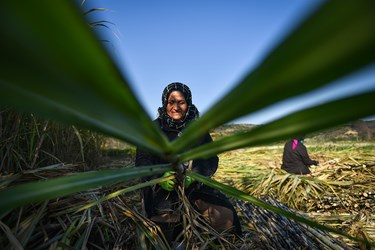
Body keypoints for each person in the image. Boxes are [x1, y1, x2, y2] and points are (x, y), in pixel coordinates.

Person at [135, 82, 242, 246]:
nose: (176, 107)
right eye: (171, 102)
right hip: (162, 189)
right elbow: (142, 161)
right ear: (165, 103)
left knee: (224, 217)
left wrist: (196, 174)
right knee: (165, 226)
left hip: (195, 187)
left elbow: (211, 159)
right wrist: (159, 178)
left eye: (181, 102)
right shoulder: (152, 129)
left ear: (188, 103)